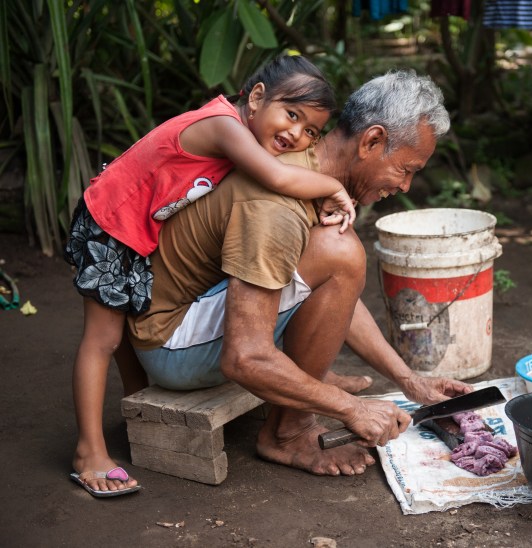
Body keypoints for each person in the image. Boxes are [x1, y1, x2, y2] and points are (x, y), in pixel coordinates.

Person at [128, 69, 473, 477]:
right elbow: (244, 357)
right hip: (173, 349)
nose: (407, 186)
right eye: (406, 169)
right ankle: (288, 434)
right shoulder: (278, 206)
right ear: (372, 141)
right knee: (342, 252)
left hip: (198, 316)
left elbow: (332, 289)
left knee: (340, 256)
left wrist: (408, 380)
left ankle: (299, 404)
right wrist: (351, 408)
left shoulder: (314, 179)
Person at [65, 54, 360, 497]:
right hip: (110, 227)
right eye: (291, 115)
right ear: (256, 97)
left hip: (136, 228)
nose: (296, 134)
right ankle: (89, 451)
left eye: (310, 131)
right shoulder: (225, 125)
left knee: (125, 319)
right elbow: (278, 178)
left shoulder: (243, 129)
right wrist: (335, 187)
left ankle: (138, 409)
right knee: (101, 339)